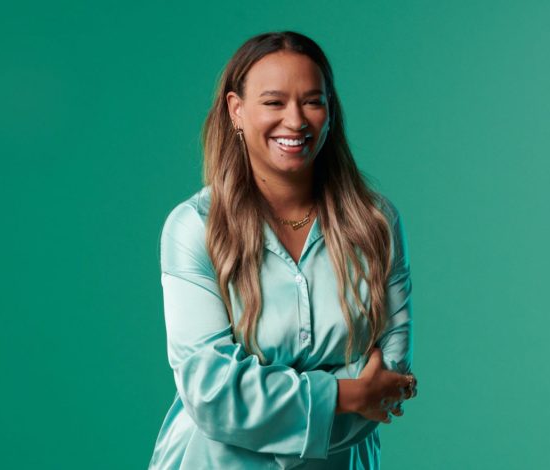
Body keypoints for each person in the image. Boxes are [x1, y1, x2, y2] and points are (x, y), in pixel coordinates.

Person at [149, 31, 418, 470]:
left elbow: (388, 377)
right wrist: (348, 394)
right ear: (236, 110)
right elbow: (213, 393)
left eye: (312, 102)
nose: (295, 121)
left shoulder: (376, 224)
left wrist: (269, 410)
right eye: (274, 102)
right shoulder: (194, 227)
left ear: (330, 111)